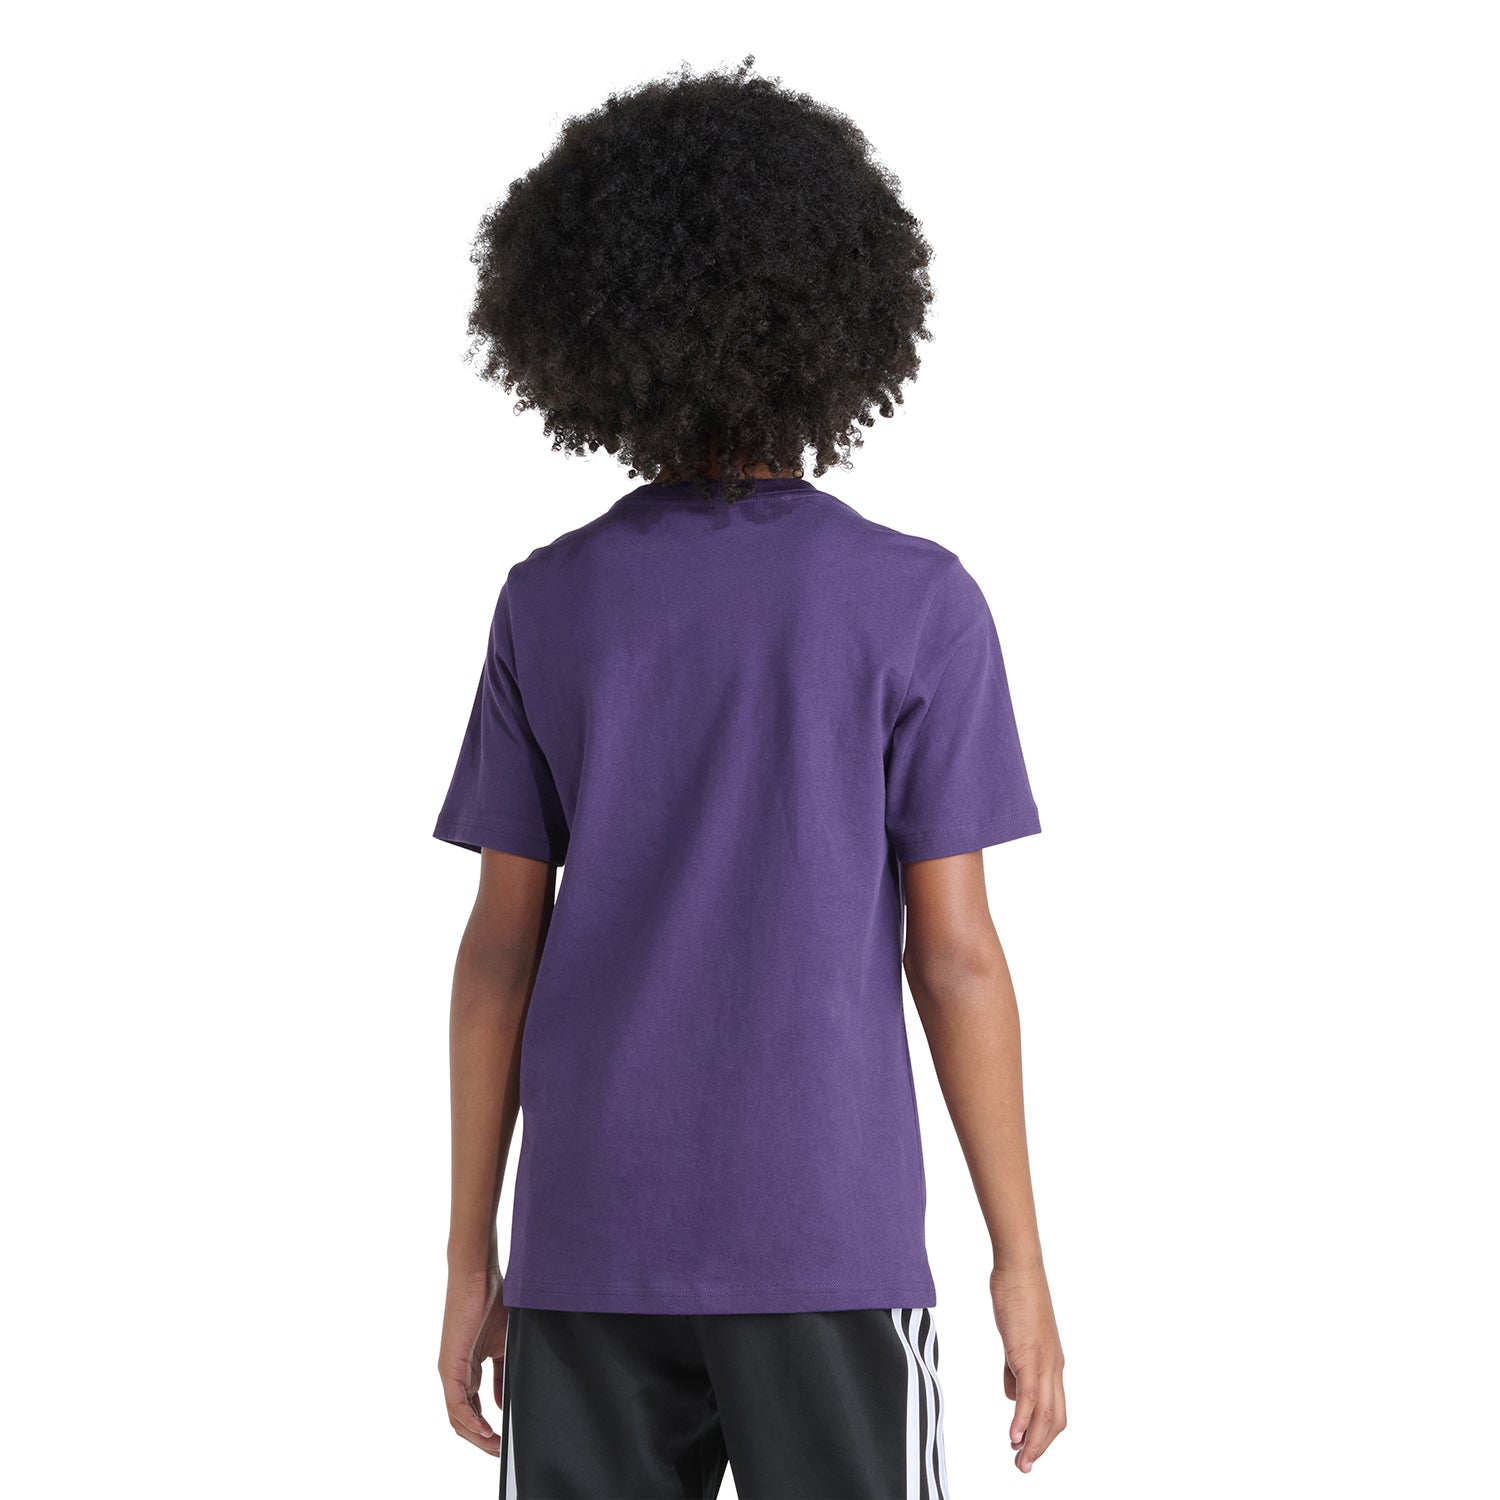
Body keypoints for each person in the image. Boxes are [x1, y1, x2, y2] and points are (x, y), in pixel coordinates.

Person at [432, 56, 1066, 1499]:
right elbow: (957, 957)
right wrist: (1018, 1258)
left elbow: (497, 958)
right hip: (828, 1244)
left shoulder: (552, 600)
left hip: (587, 1243)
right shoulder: (917, 604)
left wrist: (472, 1253)